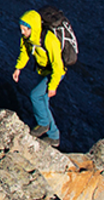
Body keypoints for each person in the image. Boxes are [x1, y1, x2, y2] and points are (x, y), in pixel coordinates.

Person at [12, 9, 66, 147]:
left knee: (36, 96)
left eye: (25, 29)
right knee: (42, 101)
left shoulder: (49, 39)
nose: (22, 32)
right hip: (44, 72)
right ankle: (54, 137)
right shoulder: (28, 38)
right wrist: (18, 68)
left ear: (33, 28)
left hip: (55, 73)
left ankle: (43, 125)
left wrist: (53, 86)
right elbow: (24, 52)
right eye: (21, 29)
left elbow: (58, 65)